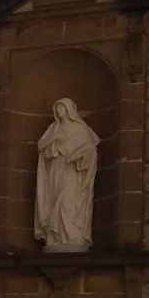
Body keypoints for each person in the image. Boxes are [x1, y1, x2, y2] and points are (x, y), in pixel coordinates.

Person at [34, 97, 100, 251]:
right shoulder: (53, 129)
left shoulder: (81, 129)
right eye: (57, 108)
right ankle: (54, 237)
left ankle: (72, 236)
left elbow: (90, 150)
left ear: (70, 110)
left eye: (62, 107)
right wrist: (53, 143)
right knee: (54, 200)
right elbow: (42, 148)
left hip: (73, 171)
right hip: (55, 169)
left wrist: (80, 156)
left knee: (68, 200)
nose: (58, 111)